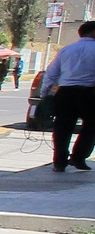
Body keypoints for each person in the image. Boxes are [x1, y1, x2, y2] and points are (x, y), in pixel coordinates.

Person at [40, 19, 95, 172]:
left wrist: (45, 94)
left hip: (65, 92)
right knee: (91, 126)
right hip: (89, 92)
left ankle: (59, 161)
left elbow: (51, 74)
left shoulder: (66, 50)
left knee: (62, 127)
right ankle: (78, 157)